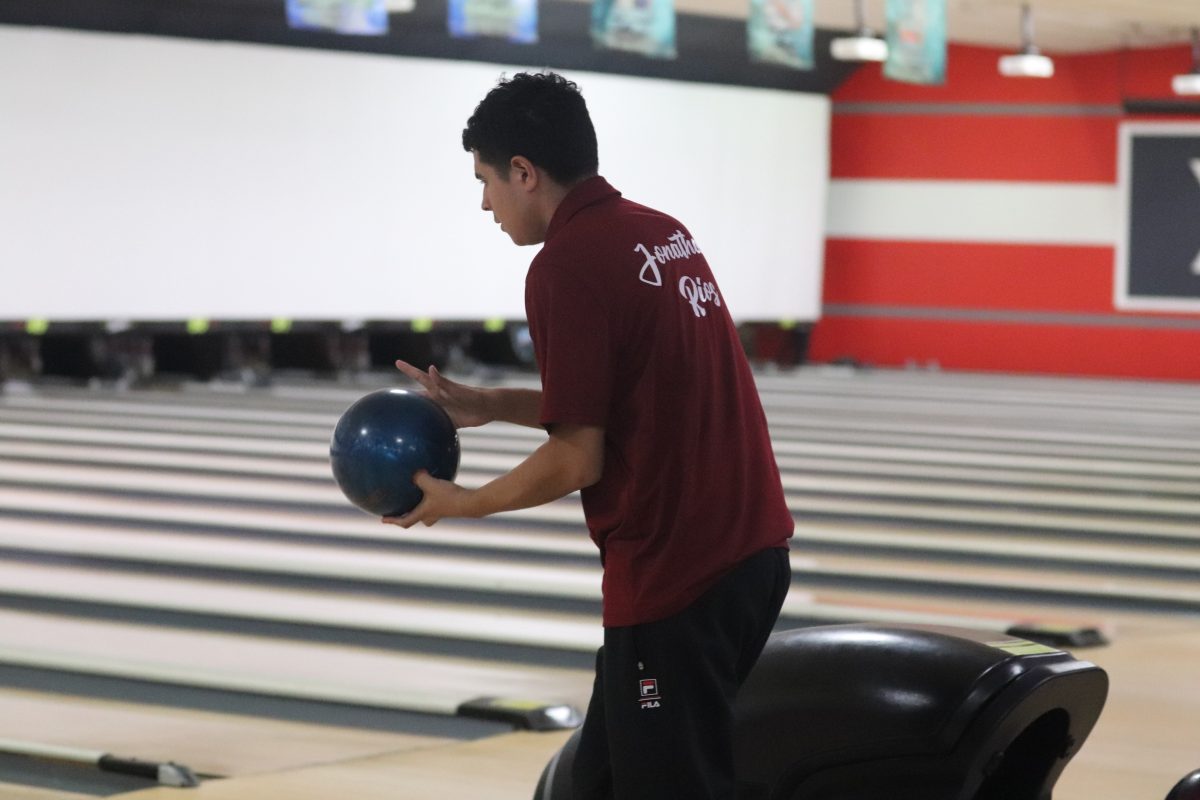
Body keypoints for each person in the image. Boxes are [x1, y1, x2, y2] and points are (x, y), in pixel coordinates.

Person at [384, 71, 794, 799]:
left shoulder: (563, 267)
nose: (484, 203)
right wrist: (489, 402)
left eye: (485, 181)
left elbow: (577, 456)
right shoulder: (662, 233)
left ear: (524, 172)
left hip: (677, 579)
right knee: (596, 783)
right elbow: (636, 393)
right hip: (751, 555)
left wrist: (461, 501)